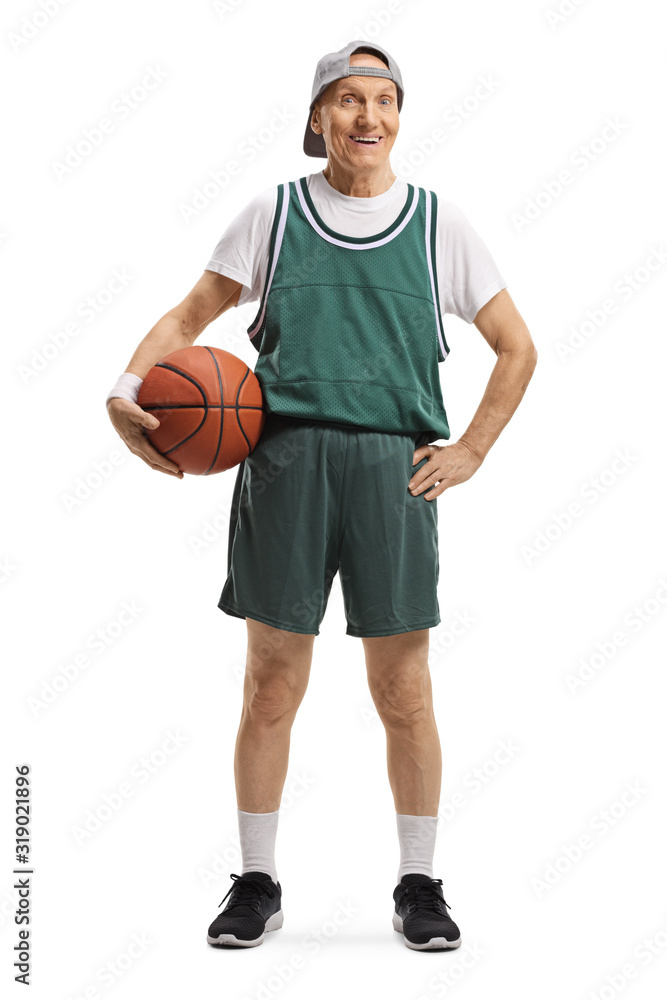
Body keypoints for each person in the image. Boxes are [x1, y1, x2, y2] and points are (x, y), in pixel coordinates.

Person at [106, 39, 537, 952]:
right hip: (285, 466)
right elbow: (189, 318)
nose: (368, 118)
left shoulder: (437, 224)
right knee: (270, 684)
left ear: (398, 116)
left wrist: (472, 451)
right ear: (317, 117)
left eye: (384, 100)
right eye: (348, 100)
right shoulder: (271, 213)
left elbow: (517, 346)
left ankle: (418, 883)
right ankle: (256, 879)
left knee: (405, 692)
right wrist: (124, 392)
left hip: (394, 473)